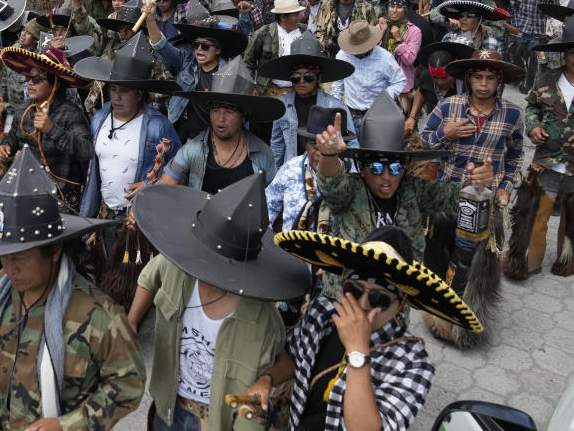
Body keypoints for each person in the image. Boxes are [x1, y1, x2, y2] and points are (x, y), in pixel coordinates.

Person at [0, 148, 146, 431]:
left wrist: (67, 425)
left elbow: (129, 385)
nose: (10, 267)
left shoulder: (98, 315)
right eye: (5, 256)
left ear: (54, 251)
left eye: (21, 256)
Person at [128, 173, 310, 431]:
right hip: (169, 406)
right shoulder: (177, 265)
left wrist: (266, 380)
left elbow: (282, 366)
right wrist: (132, 322)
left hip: (216, 420)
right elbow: (149, 277)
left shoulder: (263, 322)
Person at [252, 226, 481, 431]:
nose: (362, 306)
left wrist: (358, 352)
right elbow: (294, 356)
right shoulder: (321, 312)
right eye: (354, 291)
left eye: (379, 300)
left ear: (399, 304)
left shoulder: (413, 363)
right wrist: (267, 379)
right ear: (343, 284)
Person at [310, 91, 493, 297]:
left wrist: (475, 183)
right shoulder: (351, 190)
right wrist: (328, 156)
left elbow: (452, 197)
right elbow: (331, 185)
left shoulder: (412, 190)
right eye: (377, 167)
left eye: (396, 167)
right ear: (361, 167)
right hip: (348, 300)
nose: (387, 177)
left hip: (395, 302)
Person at [420, 49, 525, 347]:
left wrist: (505, 185)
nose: (483, 84)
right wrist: (446, 132)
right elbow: (424, 143)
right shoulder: (447, 107)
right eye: (478, 77)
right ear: (468, 79)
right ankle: (435, 311)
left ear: (498, 81)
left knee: (468, 261)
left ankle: (460, 320)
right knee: (438, 252)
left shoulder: (513, 114)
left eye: (489, 78)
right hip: (445, 197)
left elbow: (517, 156)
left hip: (484, 203)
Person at [73, 33, 182, 306]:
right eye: (113, 89)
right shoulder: (99, 118)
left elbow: (180, 166)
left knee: (133, 276)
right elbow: (94, 169)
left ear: (140, 93)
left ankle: (131, 328)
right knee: (104, 272)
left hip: (137, 224)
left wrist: (150, 187)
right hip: (105, 217)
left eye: (125, 90)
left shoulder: (158, 126)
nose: (117, 96)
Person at [505, 18, 574, 280]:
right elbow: (532, 106)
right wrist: (532, 126)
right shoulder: (547, 80)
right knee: (536, 216)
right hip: (546, 162)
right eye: (572, 53)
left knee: (571, 221)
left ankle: (567, 261)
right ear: (564, 55)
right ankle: (526, 263)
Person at [158, 57, 282, 190]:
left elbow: (274, 199)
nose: (221, 118)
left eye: (230, 111)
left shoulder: (262, 155)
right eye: (215, 110)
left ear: (243, 117)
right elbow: (163, 188)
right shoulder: (192, 151)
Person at [0, 45, 94, 211]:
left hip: (62, 198)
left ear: (54, 84)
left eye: (36, 80)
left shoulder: (71, 113)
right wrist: (6, 146)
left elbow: (86, 151)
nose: (29, 84)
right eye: (28, 78)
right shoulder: (23, 110)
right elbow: (13, 136)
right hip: (28, 190)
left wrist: (52, 129)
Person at [143, 0, 246, 142]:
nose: (199, 50)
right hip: (180, 132)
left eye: (205, 46)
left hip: (211, 138)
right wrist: (150, 19)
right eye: (196, 45)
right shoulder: (186, 61)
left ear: (217, 50)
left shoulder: (229, 74)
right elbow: (161, 45)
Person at [258, 32, 357, 166]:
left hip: (325, 173)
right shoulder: (283, 104)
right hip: (293, 173)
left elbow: (351, 148)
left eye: (308, 77)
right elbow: (277, 146)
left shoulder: (336, 107)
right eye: (296, 77)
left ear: (319, 78)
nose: (302, 82)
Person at [266, 107, 354, 233]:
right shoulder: (290, 169)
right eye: (315, 145)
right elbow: (266, 211)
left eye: (331, 146)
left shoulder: (355, 175)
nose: (322, 152)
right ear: (305, 144)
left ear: (343, 146)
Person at [331, 21, 406, 136]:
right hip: (350, 115)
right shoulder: (342, 55)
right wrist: (336, 108)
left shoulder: (385, 58)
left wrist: (384, 98)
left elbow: (399, 80)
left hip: (376, 116)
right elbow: (338, 83)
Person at [242, 0, 308, 96]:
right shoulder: (264, 33)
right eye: (295, 14)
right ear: (283, 17)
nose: (300, 16)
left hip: (298, 92)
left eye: (299, 13)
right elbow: (248, 62)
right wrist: (251, 86)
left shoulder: (305, 32)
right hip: (269, 90)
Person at [515, 0, 561, 92]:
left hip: (541, 31)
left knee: (536, 61)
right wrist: (520, 23)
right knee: (517, 54)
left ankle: (528, 85)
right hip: (525, 28)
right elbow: (517, 5)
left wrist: (553, 29)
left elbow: (556, 11)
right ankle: (521, 75)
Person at [404, 42, 473, 137]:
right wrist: (412, 117)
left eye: (444, 78)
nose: (439, 82)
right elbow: (422, 91)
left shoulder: (467, 83)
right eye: (435, 78)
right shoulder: (426, 76)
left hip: (461, 131)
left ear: (454, 71)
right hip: (433, 131)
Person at [314, 0, 379, 58]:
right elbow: (319, 30)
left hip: (356, 53)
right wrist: (323, 44)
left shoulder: (366, 8)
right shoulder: (326, 5)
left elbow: (371, 33)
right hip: (330, 54)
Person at [377, 0, 422, 114]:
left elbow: (409, 60)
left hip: (402, 89)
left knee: (402, 126)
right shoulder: (379, 27)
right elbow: (369, 55)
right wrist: (381, 34)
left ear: (405, 10)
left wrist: (398, 40)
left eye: (399, 7)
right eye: (391, 6)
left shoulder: (414, 31)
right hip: (379, 85)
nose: (394, 10)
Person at [437, 0, 506, 53]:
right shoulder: (449, 38)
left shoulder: (491, 42)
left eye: (469, 16)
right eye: (461, 16)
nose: (463, 19)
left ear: (479, 19)